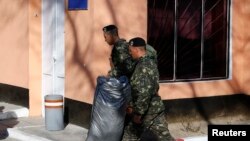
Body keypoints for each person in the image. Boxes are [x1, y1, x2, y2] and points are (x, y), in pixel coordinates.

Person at [122, 37, 175, 141]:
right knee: (165, 137)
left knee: (130, 136)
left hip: (148, 112)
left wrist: (138, 114)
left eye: (130, 50)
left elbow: (144, 93)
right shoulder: (147, 63)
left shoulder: (144, 67)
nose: (129, 53)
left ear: (136, 50)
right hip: (154, 110)